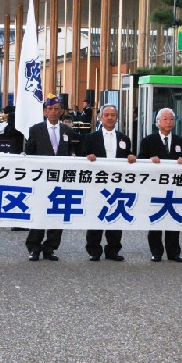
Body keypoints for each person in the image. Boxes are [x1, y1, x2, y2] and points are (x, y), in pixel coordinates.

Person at [23, 96, 78, 261]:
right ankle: (34, 247)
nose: (53, 112)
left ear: (62, 111)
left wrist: (74, 155)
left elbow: (74, 150)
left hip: (61, 178)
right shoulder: (36, 129)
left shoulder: (68, 131)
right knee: (40, 212)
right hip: (41, 178)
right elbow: (30, 151)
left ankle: (51, 248)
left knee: (57, 213)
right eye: (50, 109)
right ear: (45, 111)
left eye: (56, 109)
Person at [81, 104, 136, 261]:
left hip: (117, 183)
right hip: (98, 184)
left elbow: (128, 155)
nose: (110, 118)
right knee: (96, 215)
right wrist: (88, 157)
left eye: (113, 115)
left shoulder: (124, 138)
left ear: (117, 118)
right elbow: (83, 156)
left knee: (116, 216)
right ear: (100, 117)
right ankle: (94, 250)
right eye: (106, 115)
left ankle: (113, 250)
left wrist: (131, 156)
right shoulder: (91, 137)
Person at [138, 108, 182, 262]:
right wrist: (149, 160)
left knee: (174, 219)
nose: (169, 122)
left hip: (174, 186)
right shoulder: (148, 140)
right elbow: (140, 160)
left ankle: (174, 253)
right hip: (155, 187)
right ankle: (156, 252)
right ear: (158, 122)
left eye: (171, 119)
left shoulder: (180, 141)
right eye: (165, 119)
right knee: (156, 219)